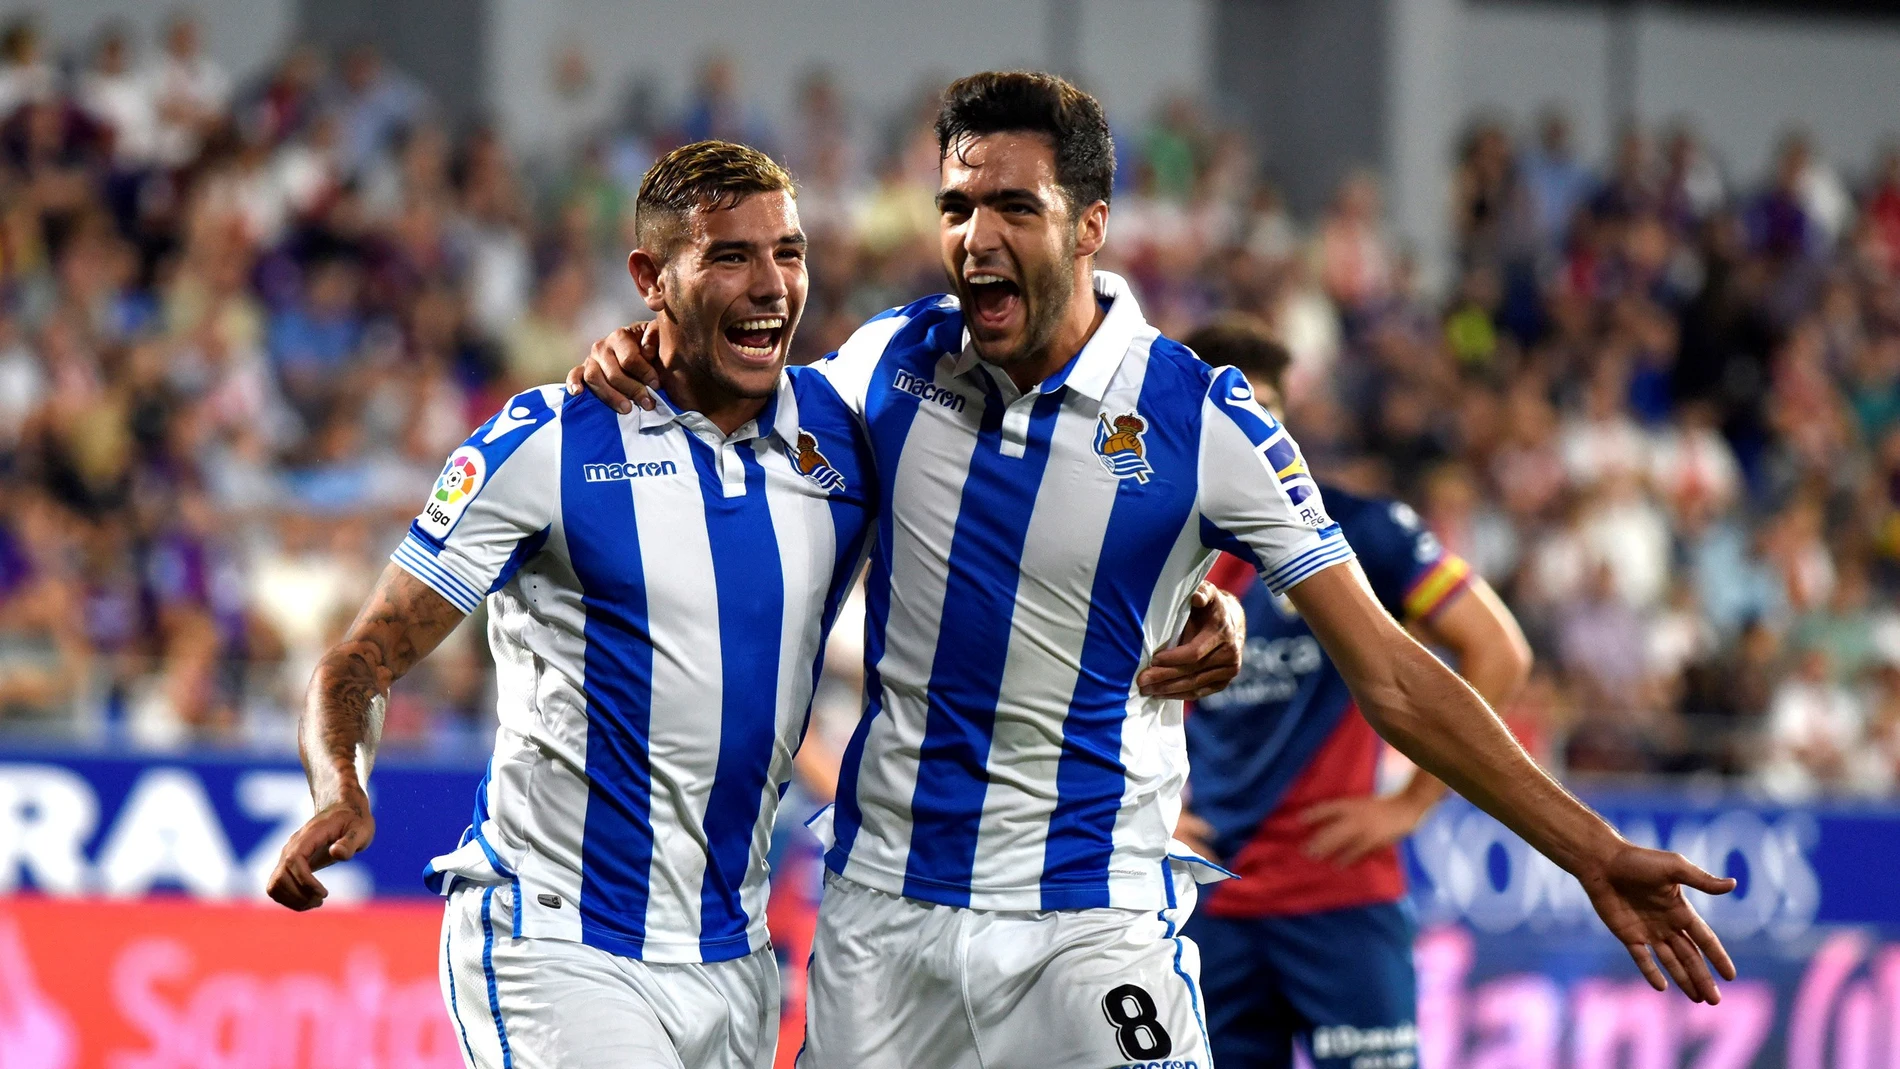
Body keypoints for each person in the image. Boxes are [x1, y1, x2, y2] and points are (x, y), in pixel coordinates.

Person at [574, 71, 1737, 1069]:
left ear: (1089, 225)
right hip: (887, 926)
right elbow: (736, 426)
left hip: (1092, 923)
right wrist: (648, 348)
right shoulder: (890, 363)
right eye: (956, 205)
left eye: (1011, 207)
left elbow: (1389, 668)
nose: (975, 237)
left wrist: (1588, 848)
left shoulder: (1201, 418)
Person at [263, 139, 1238, 1069]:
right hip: (557, 933)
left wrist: (1198, 604)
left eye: (787, 253)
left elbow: (1027, 525)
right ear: (652, 280)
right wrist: (342, 785)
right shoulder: (548, 443)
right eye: (728, 256)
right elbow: (364, 657)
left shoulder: (843, 441)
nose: (770, 283)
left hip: (733, 960)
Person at [1172, 317, 1533, 1069]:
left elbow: (1499, 650)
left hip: (1340, 895)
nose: (1251, 429)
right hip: (1203, 902)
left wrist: (1409, 803)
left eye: (1265, 409)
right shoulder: (1152, 549)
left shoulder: (1361, 530)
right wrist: (1147, 814)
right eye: (1231, 410)